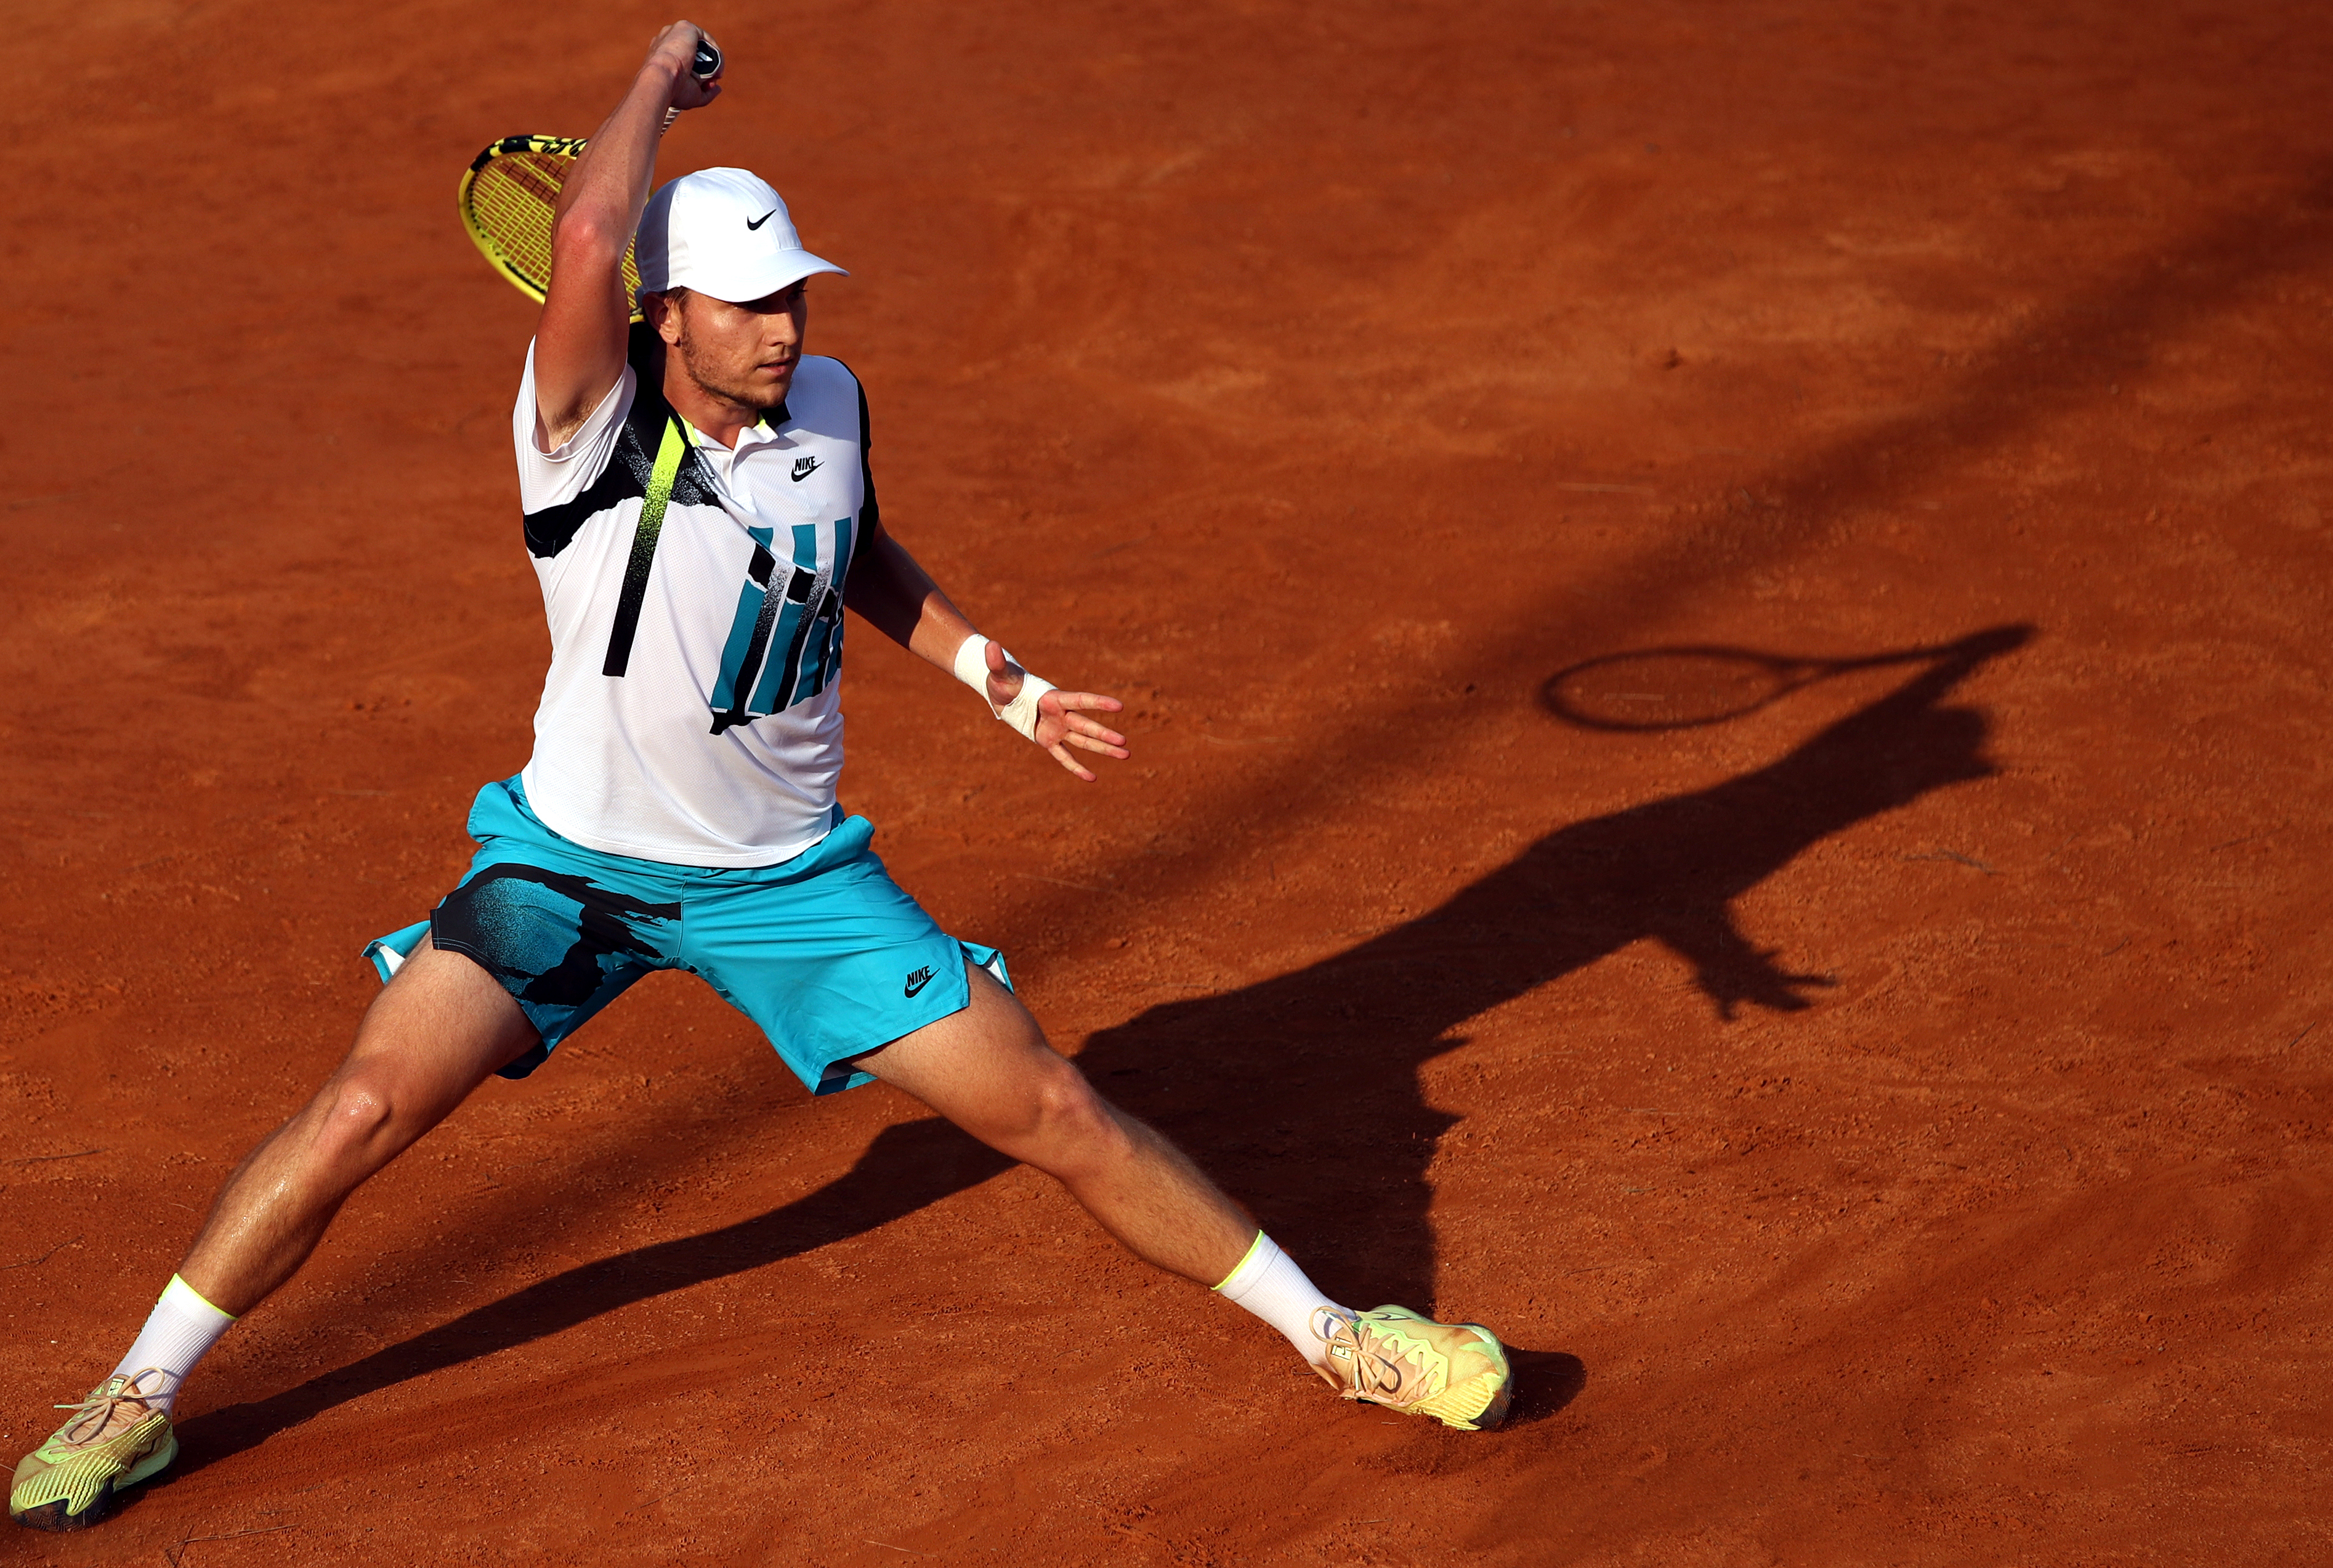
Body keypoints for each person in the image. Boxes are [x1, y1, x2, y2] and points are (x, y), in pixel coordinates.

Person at [9, 22, 1510, 1535]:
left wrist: (1004, 680)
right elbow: (593, 227)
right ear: (665, 316)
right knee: (361, 1111)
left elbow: (849, 548)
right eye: (747, 302)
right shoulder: (578, 436)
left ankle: (1340, 1337)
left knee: (1050, 1103)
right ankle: (137, 1396)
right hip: (568, 870)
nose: (784, 326)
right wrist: (664, 72)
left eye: (793, 293)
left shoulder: (833, 407)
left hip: (792, 884)